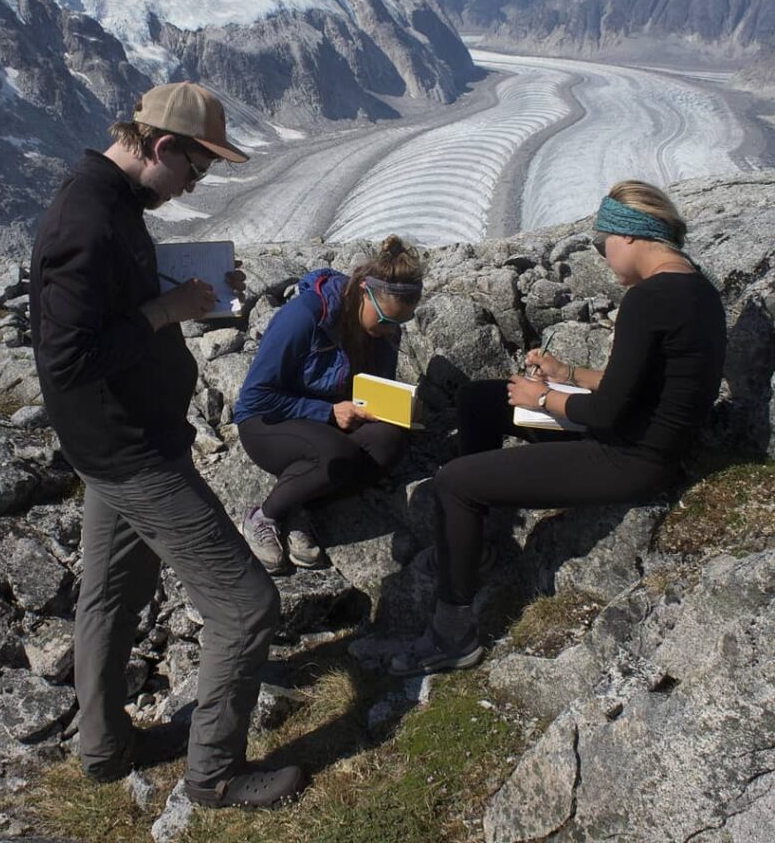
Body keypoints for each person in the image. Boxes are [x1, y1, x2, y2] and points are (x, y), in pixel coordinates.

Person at [29, 82, 304, 808]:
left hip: (122, 442)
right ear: (160, 147)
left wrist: (200, 287)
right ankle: (214, 776)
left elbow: (112, 305)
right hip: (131, 452)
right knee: (246, 607)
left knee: (112, 597)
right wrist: (166, 309)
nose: (196, 183)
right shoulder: (85, 219)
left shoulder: (113, 204)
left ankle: (104, 749)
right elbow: (65, 359)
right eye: (196, 167)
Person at [390, 180, 727, 676]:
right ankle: (477, 540)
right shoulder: (695, 286)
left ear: (630, 237)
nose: (605, 257)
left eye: (603, 243)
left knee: (454, 484)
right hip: (644, 440)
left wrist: (543, 397)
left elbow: (607, 412)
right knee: (482, 398)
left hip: (626, 457)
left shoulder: (649, 299)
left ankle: (452, 632)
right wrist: (563, 374)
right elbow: (632, 385)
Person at [233, 236, 424, 573]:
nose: (390, 331)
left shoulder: (383, 328)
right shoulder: (306, 315)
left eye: (399, 324)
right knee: (338, 455)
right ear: (364, 292)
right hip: (268, 421)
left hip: (329, 422)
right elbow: (255, 397)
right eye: (385, 321)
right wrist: (327, 412)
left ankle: (301, 504)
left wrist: (400, 407)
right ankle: (264, 515)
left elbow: (373, 388)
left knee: (390, 442)